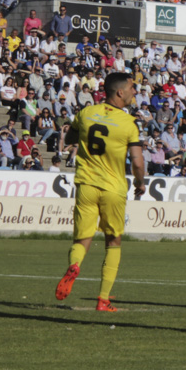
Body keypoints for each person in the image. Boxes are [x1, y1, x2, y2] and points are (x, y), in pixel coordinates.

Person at [54, 72, 146, 312]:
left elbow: (71, 135)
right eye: (132, 88)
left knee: (82, 239)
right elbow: (137, 162)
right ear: (120, 92)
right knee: (113, 241)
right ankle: (103, 300)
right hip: (114, 188)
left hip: (86, 184)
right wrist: (140, 182)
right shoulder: (128, 123)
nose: (134, 92)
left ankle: (75, 265)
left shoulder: (86, 113)